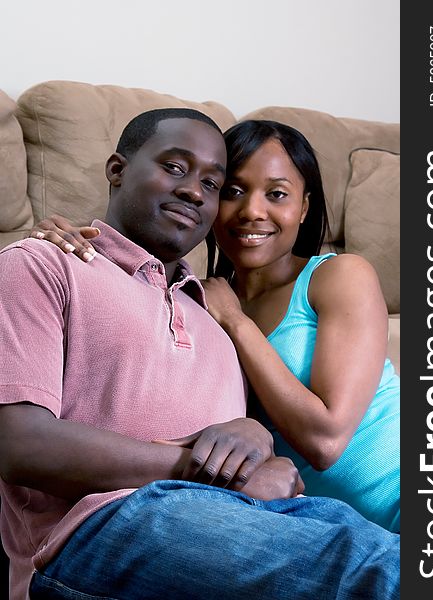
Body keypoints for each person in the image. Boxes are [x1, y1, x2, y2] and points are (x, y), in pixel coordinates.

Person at [1, 108, 400, 600]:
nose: (196, 191)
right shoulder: (48, 264)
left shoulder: (214, 313)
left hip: (285, 513)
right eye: (175, 168)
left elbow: (268, 444)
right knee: (372, 569)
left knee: (388, 557)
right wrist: (209, 467)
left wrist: (256, 440)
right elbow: (17, 442)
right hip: (112, 522)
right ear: (117, 169)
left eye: (212, 183)